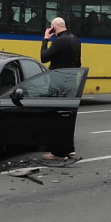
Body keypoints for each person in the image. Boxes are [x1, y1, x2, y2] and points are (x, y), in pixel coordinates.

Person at [39, 17, 82, 162]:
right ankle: (69, 149)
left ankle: (58, 152)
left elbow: (44, 57)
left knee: (56, 117)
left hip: (59, 82)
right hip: (71, 83)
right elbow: (78, 62)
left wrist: (46, 39)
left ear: (53, 28)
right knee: (68, 117)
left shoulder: (60, 41)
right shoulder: (75, 39)